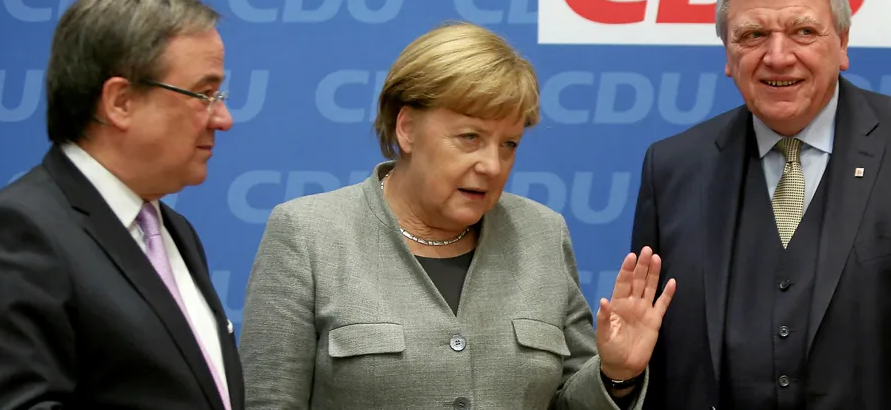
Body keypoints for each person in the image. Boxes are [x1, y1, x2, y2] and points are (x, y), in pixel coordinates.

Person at [238, 21, 676, 409]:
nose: (492, 164)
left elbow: (566, 401)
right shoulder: (308, 233)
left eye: (509, 144)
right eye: (470, 137)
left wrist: (615, 374)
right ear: (407, 128)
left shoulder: (542, 233)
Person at [630, 0, 891, 410]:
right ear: (727, 52)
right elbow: (654, 358)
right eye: (752, 35)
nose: (778, 56)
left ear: (842, 42)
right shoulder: (673, 169)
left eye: (803, 31)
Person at [0, 0, 244, 410]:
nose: (223, 118)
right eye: (203, 95)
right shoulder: (17, 235)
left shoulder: (174, 231)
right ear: (120, 101)